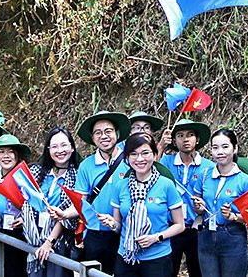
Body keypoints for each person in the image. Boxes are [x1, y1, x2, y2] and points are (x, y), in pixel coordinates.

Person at [98, 133, 185, 277]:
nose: (139, 159)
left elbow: (179, 225)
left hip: (158, 258)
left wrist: (156, 237)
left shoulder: (166, 185)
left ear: (155, 154)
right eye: (133, 154)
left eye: (145, 153)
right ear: (127, 157)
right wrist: (112, 223)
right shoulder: (121, 186)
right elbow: (119, 225)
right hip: (126, 257)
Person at [56, 110, 131, 274]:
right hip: (95, 234)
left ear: (116, 133)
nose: (104, 136)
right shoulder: (87, 166)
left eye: (108, 131)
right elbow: (80, 202)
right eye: (98, 133)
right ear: (92, 138)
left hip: (126, 232)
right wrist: (64, 214)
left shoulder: (131, 160)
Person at [191, 129, 248, 277]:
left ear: (235, 148)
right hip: (206, 236)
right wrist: (198, 207)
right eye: (215, 147)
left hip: (232, 236)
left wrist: (232, 216)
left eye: (225, 147)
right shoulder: (205, 174)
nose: (220, 152)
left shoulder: (245, 181)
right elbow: (198, 207)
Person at [159, 119, 214, 277]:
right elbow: (149, 168)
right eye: (180, 135)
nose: (185, 139)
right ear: (174, 141)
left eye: (190, 135)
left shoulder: (209, 166)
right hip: (171, 227)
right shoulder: (166, 161)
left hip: (196, 229)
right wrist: (161, 146)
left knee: (198, 271)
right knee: (168, 271)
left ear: (197, 139)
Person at [22, 126, 79, 277]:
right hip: (33, 238)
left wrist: (49, 241)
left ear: (72, 147)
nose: (59, 150)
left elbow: (69, 213)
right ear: (48, 149)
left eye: (64, 145)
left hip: (59, 242)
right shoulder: (36, 171)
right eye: (54, 146)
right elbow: (27, 202)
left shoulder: (78, 176)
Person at [0, 134, 31, 275]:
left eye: (10, 151)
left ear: (17, 155)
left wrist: (26, 219)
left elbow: (38, 206)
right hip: (6, 232)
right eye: (1, 152)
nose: (6, 156)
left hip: (27, 235)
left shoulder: (26, 178)